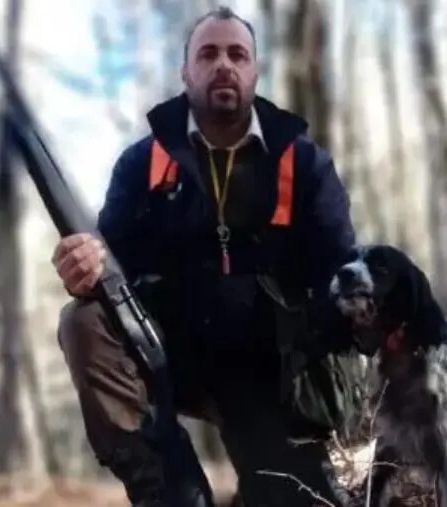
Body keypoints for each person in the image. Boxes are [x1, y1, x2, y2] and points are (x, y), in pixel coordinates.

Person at [52, 6, 359, 506]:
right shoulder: (140, 164)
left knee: (293, 497)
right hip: (172, 355)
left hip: (270, 374)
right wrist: (83, 268)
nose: (224, 65)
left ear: (255, 73)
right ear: (186, 72)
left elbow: (342, 276)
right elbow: (107, 273)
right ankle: (168, 487)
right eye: (208, 53)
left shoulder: (304, 162)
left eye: (238, 54)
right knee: (84, 320)